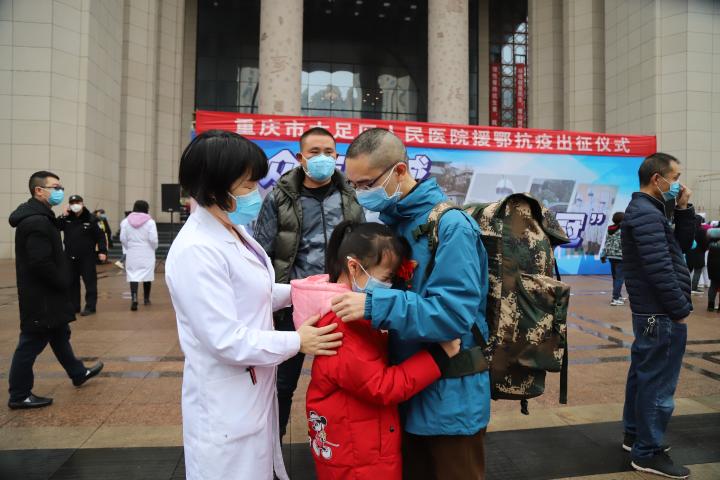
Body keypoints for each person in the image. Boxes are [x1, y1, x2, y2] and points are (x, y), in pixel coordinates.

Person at [165, 130, 343, 480]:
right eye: (247, 185)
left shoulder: (232, 228)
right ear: (213, 188)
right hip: (226, 400)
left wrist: (301, 290)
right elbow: (224, 339)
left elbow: (252, 289)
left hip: (251, 387)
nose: (255, 193)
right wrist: (297, 341)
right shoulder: (196, 250)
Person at [332, 128, 491, 479]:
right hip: (406, 394)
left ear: (400, 171)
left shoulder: (451, 226)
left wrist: (373, 305)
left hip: (450, 401)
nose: (361, 194)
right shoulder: (395, 223)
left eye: (367, 184)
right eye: (354, 186)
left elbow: (454, 315)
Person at [301, 221, 460, 479]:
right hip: (359, 460)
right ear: (354, 267)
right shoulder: (340, 327)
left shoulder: (348, 312)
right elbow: (382, 386)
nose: (388, 287)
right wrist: (438, 357)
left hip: (360, 444)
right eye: (386, 279)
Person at [254, 127, 365, 440]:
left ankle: (346, 445)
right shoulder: (280, 197)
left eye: (329, 152)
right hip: (293, 302)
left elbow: (362, 243)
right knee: (283, 384)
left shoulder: (350, 195)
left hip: (341, 301)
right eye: (315, 152)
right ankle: (272, 447)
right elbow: (263, 251)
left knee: (348, 377)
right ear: (300, 157)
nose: (322, 158)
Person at [621, 152, 694, 479]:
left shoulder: (649, 210)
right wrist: (679, 310)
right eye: (675, 178)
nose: (678, 184)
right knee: (659, 384)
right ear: (657, 179)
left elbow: (681, 246)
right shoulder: (646, 214)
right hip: (659, 312)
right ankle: (647, 452)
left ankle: (635, 436)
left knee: (644, 375)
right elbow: (660, 268)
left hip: (652, 311)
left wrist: (683, 209)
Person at [7, 172, 103, 410]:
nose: (60, 191)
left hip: (47, 294)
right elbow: (40, 262)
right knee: (31, 342)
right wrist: (63, 281)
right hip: (41, 296)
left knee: (59, 333)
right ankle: (19, 394)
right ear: (39, 191)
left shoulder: (42, 217)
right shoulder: (36, 222)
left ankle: (77, 372)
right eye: (55, 187)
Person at [58, 195, 107, 316]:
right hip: (69, 257)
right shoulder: (67, 218)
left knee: (90, 283)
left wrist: (102, 251)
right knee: (71, 283)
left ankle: (90, 307)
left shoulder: (92, 219)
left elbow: (101, 236)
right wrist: (63, 215)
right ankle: (74, 306)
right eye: (72, 203)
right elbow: (56, 226)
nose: (75, 205)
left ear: (82, 204)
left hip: (87, 257)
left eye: (77, 202)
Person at [120, 201, 159, 311]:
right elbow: (153, 239)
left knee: (133, 275)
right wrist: (154, 247)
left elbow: (123, 238)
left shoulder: (125, 222)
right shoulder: (150, 222)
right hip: (147, 252)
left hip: (132, 252)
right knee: (147, 274)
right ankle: (146, 299)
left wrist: (128, 247)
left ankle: (134, 299)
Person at [600, 212, 626, 306]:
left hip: (611, 256)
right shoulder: (623, 230)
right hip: (621, 257)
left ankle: (618, 296)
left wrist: (603, 255)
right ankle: (615, 298)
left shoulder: (610, 229)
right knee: (619, 278)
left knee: (616, 277)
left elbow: (607, 243)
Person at [687, 214, 708, 295]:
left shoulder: (689, 230)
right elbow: (705, 243)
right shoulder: (702, 231)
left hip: (689, 253)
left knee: (688, 271)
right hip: (699, 253)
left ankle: (686, 286)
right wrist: (704, 249)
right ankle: (694, 287)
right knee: (697, 271)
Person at [707, 226, 720, 312]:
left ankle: (710, 305)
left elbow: (709, 260)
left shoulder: (711, 246)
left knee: (713, 286)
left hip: (713, 269)